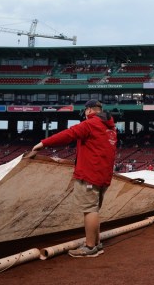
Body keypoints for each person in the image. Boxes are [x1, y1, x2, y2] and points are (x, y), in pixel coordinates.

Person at [27, 99, 117, 258]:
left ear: (89, 110)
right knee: (94, 209)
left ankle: (90, 248)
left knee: (89, 210)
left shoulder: (90, 124)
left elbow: (68, 134)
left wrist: (42, 144)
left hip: (90, 174)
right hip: (104, 175)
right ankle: (96, 244)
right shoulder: (110, 127)